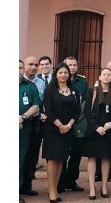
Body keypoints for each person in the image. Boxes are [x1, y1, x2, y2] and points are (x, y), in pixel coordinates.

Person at [43, 62, 81, 203]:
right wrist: (60, 125)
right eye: (60, 72)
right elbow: (48, 109)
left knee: (61, 159)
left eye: (65, 72)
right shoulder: (50, 89)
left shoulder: (74, 89)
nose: (63, 75)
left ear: (69, 74)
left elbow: (77, 111)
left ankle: (56, 187)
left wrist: (69, 125)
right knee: (53, 160)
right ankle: (51, 191)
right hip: (53, 129)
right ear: (56, 74)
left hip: (68, 129)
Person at [83, 67, 111, 200]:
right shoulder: (92, 91)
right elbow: (87, 111)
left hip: (108, 131)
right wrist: (96, 127)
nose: (106, 77)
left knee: (106, 158)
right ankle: (92, 188)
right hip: (94, 131)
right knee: (92, 158)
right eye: (104, 74)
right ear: (100, 77)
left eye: (109, 75)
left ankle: (104, 187)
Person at [59, 56, 88, 193]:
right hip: (63, 122)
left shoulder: (82, 82)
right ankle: (62, 180)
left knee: (76, 153)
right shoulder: (59, 80)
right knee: (63, 153)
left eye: (75, 64)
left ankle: (72, 180)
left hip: (79, 122)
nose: (72, 67)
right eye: (69, 65)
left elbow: (86, 103)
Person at [20, 56, 46, 197]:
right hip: (21, 123)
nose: (34, 67)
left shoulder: (40, 83)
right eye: (30, 64)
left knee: (32, 155)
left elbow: (41, 102)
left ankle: (26, 186)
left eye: (36, 65)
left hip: (34, 124)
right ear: (24, 66)